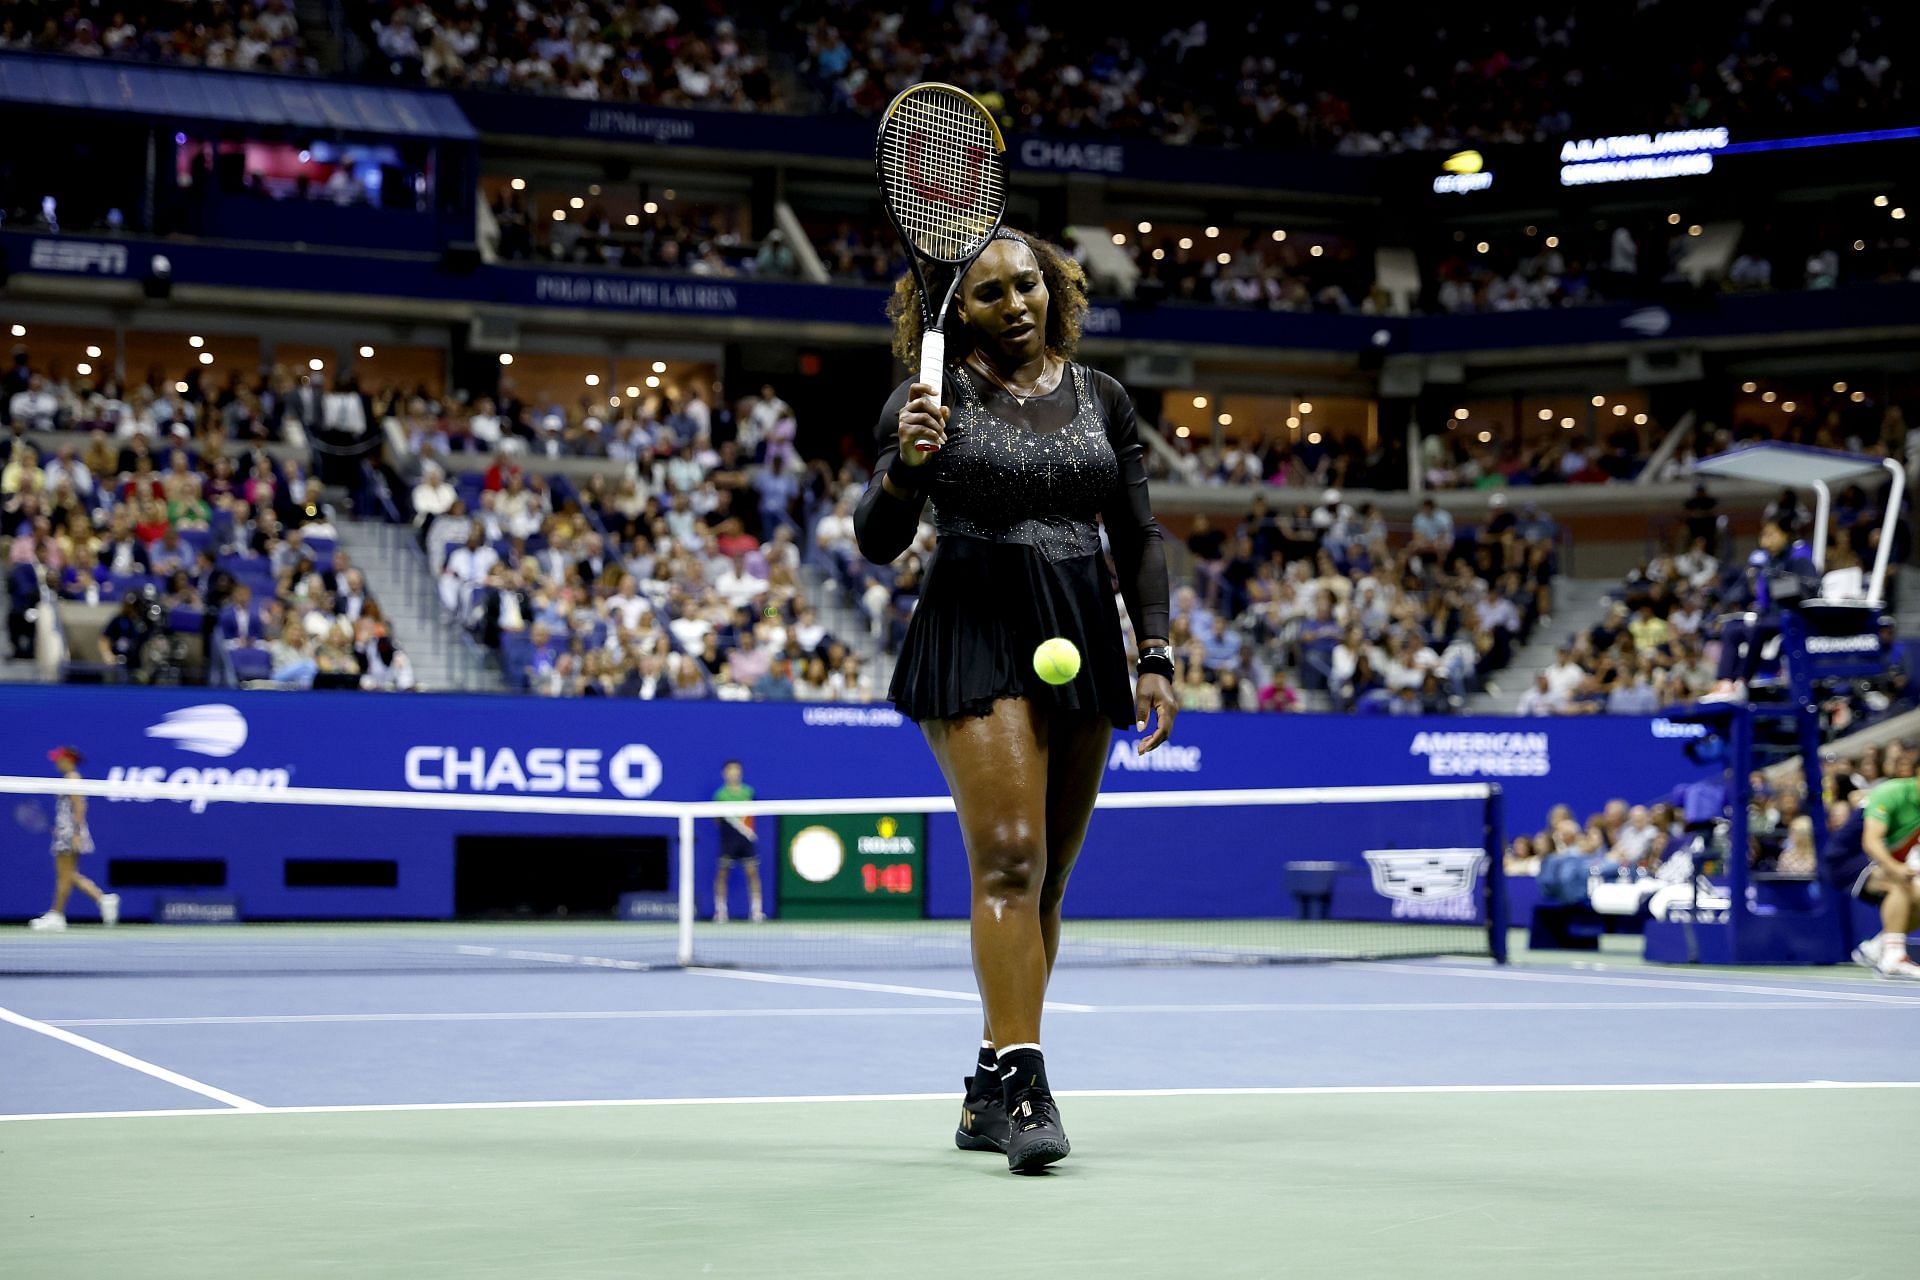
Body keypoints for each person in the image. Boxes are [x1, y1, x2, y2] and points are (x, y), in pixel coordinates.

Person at [855, 227, 1175, 1174]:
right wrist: (909, 464)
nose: (1018, 305)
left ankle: (986, 1087)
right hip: (975, 622)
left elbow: (1139, 534)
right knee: (1009, 858)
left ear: (1054, 288)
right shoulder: (928, 398)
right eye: (990, 295)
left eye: (1028, 285)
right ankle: (1030, 1084)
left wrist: (1153, 650)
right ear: (957, 312)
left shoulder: (1101, 398)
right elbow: (878, 539)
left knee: (1052, 879)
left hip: (1081, 628)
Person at [1826, 767, 1920, 978]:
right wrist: (1895, 868)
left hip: (1878, 860)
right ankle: (1894, 957)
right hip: (1847, 857)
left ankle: (1876, 949)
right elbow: (1871, 842)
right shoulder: (1892, 792)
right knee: (1897, 883)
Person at [28, 747, 119, 931]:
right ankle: (101, 900)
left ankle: (58, 915)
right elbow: (67, 808)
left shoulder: (72, 778)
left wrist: (76, 832)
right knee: (67, 875)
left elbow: (79, 805)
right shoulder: (69, 778)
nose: (56, 762)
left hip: (71, 832)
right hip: (66, 830)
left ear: (68, 760)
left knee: (64, 875)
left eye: (58, 759)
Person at [711, 759, 764, 924]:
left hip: (746, 838)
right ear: (725, 773)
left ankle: (756, 911)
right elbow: (717, 820)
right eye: (730, 771)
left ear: (740, 773)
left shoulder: (749, 792)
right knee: (722, 874)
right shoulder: (720, 795)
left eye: (736, 771)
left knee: (752, 873)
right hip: (728, 840)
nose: (734, 774)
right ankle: (721, 912)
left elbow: (752, 814)